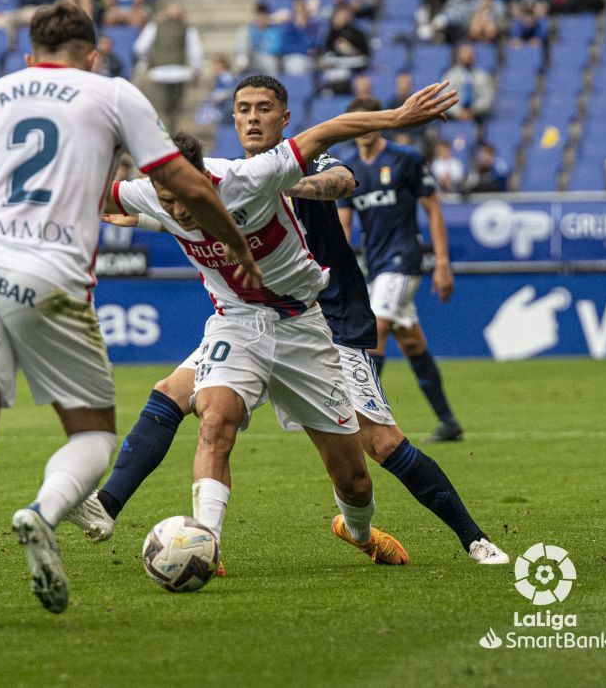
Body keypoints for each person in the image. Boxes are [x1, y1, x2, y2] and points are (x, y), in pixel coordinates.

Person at [69, 76, 506, 566]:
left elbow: (341, 178)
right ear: (232, 119)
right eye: (243, 109)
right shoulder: (190, 185)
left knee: (370, 459)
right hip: (240, 322)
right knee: (198, 406)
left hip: (324, 323)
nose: (253, 117)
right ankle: (179, 536)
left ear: (284, 117)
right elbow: (135, 201)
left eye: (264, 108)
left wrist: (286, 180)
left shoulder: (275, 168)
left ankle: (405, 533)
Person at [0, 2, 260, 627]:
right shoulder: (111, 93)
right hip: (48, 272)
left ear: (30, 56)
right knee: (92, 436)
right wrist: (239, 248)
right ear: (93, 52)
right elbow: (187, 185)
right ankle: (44, 513)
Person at [337, 97, 463, 442]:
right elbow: (343, 229)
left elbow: (433, 210)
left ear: (378, 122)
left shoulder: (404, 158)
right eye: (354, 122)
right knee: (411, 342)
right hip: (375, 266)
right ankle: (449, 422)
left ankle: (370, 422)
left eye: (366, 120)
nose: (361, 128)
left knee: (374, 328)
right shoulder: (346, 168)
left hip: (405, 259)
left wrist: (441, 263)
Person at [132, 3, 203, 132]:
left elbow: (140, 47)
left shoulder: (155, 26)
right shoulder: (186, 28)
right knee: (175, 111)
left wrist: (147, 63)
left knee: (161, 110)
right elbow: (196, 52)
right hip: (180, 73)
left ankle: (165, 139)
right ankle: (174, 136)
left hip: (159, 73)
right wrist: (196, 72)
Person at [320, 5, 370, 95]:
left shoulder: (357, 33)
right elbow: (327, 51)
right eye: (339, 15)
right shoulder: (332, 33)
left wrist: (352, 53)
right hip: (336, 64)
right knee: (330, 74)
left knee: (343, 73)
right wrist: (336, 28)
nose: (342, 18)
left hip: (353, 64)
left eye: (345, 15)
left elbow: (364, 56)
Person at [444, 43, 494, 121]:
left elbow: (487, 98)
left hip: (477, 118)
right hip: (454, 118)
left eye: (470, 54)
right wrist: (457, 112)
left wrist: (473, 110)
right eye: (464, 54)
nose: (467, 57)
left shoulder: (483, 76)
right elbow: (443, 98)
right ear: (458, 56)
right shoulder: (450, 75)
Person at [233, 2, 282, 75]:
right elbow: (241, 47)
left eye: (263, 15)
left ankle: (273, 85)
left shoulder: (273, 30)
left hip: (268, 59)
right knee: (242, 59)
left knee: (270, 62)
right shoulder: (248, 29)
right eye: (259, 15)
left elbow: (276, 49)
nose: (261, 18)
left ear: (267, 17)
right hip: (251, 59)